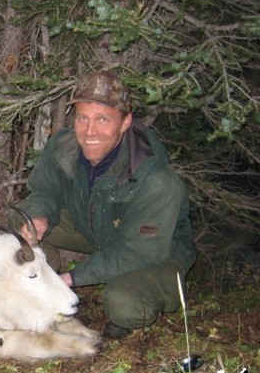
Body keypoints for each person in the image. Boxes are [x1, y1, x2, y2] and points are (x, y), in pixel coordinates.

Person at [11, 70, 196, 338]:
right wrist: (39, 216)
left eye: (103, 119)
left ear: (125, 122)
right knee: (22, 220)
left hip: (156, 251)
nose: (90, 131)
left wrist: (68, 280)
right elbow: (44, 190)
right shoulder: (62, 147)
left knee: (124, 304)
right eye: (82, 118)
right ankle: (39, 279)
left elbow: (137, 253)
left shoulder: (156, 181)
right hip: (97, 229)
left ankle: (164, 286)